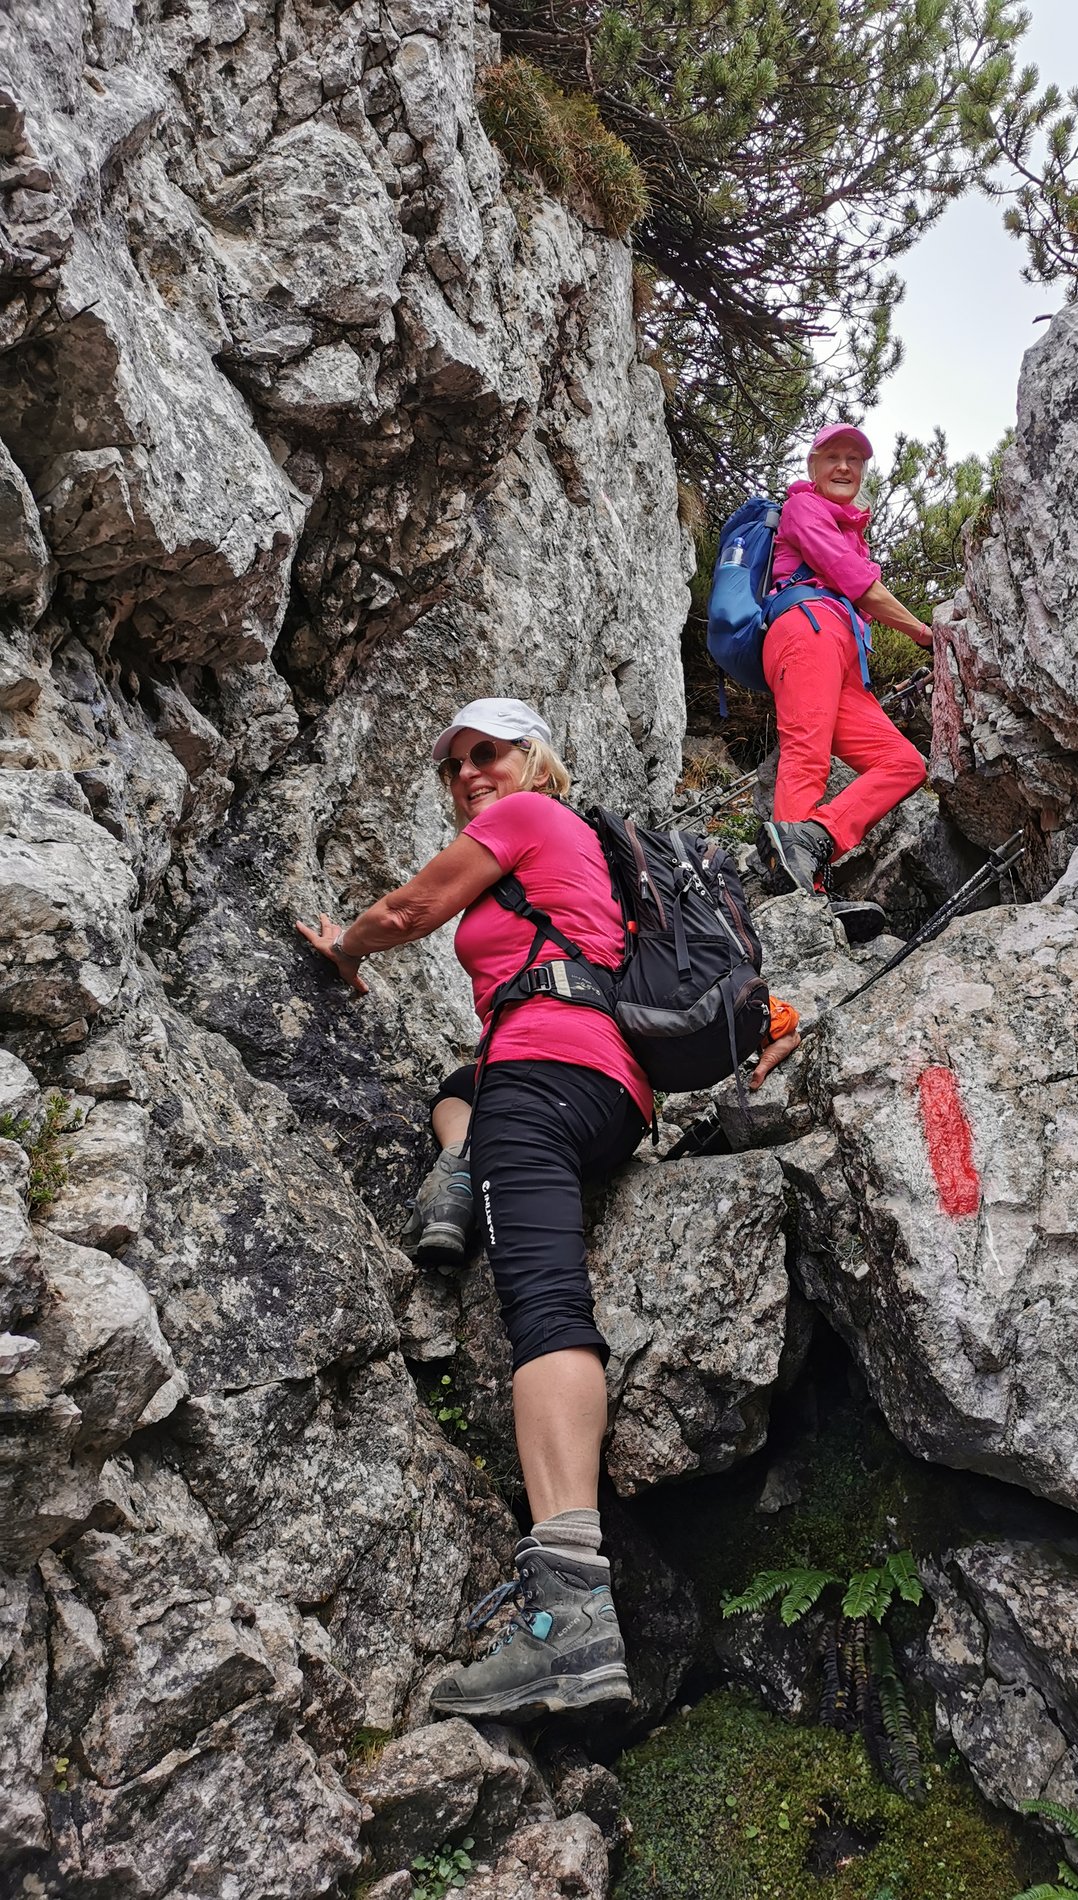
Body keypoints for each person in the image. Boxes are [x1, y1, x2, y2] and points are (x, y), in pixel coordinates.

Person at [296, 697, 798, 1724]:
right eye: (454, 765)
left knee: (545, 1309)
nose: (469, 774)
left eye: (488, 752)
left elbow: (410, 910)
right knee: (457, 1089)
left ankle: (568, 1611)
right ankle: (459, 1164)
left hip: (542, 1073)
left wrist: (344, 948)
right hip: (608, 1094)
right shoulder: (591, 852)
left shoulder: (528, 817)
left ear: (534, 758)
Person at [759, 423, 932, 931]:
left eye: (853, 459)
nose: (843, 466)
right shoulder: (803, 508)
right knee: (806, 754)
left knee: (904, 763)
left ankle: (815, 841)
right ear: (812, 467)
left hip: (844, 657)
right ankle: (803, 891)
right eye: (832, 456)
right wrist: (924, 633)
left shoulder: (848, 529)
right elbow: (855, 583)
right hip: (807, 630)